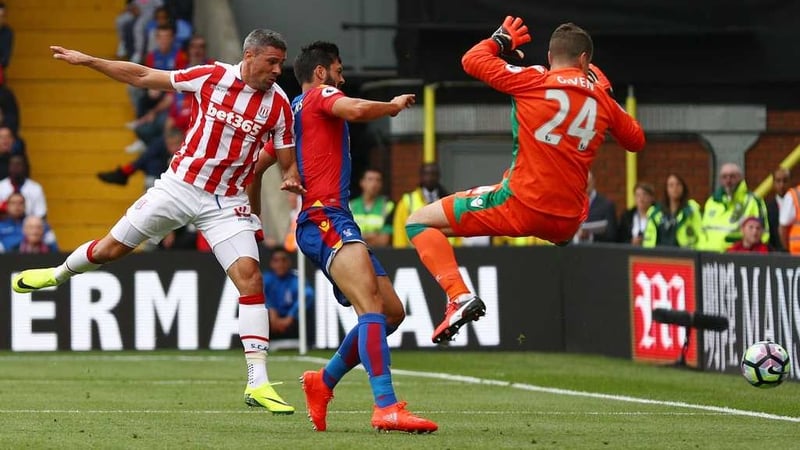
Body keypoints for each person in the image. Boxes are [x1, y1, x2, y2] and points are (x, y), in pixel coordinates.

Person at [11, 29, 304, 415]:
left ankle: (258, 382)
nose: (277, 70)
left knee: (250, 277)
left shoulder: (279, 105)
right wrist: (91, 61)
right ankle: (60, 273)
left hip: (226, 202)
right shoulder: (212, 76)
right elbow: (142, 76)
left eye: (281, 63)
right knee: (111, 250)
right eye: (272, 62)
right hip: (180, 187)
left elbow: (286, 158)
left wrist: (292, 177)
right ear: (249, 56)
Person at [405, 18, 645, 343]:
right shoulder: (602, 100)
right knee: (558, 221)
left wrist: (501, 41)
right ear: (585, 60)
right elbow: (636, 141)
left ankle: (459, 296)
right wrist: (605, 91)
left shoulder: (535, 80)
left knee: (418, 222)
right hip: (566, 223)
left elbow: (471, 60)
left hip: (521, 204)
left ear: (549, 56)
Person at [288, 41, 437, 433]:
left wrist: (263, 197)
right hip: (325, 216)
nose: (342, 75)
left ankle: (323, 381)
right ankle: (386, 406)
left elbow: (268, 157)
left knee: (391, 312)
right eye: (338, 68)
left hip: (330, 217)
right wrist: (389, 107)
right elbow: (353, 109)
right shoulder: (321, 95)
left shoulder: (292, 111)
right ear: (320, 73)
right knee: (371, 307)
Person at [700, 162, 769, 252]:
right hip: (708, 257)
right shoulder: (712, 201)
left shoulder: (752, 201)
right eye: (724, 177)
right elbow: (703, 230)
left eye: (732, 176)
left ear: (740, 178)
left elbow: (764, 233)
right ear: (720, 180)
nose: (728, 181)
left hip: (737, 257)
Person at [392, 162, 454, 248]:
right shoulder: (408, 201)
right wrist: (400, 252)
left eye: (433, 174)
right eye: (427, 174)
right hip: (415, 253)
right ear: (421, 176)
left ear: (439, 177)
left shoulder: (448, 200)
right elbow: (399, 231)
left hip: (444, 251)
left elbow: (456, 228)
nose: (430, 178)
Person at [262, 246, 314, 343]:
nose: (280, 264)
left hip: (292, 322)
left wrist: (290, 317)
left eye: (284, 260)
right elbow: (263, 295)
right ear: (271, 263)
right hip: (270, 322)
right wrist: (272, 313)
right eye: (276, 260)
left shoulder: (296, 279)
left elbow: (308, 294)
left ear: (289, 262)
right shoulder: (266, 279)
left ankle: (306, 342)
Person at [642, 173, 703, 249]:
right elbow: (648, 238)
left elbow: (700, 234)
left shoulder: (691, 210)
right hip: (658, 256)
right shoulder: (655, 212)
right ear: (666, 189)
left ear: (683, 187)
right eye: (671, 185)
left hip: (684, 256)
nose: (675, 188)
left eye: (678, 184)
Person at [349, 168, 394, 247]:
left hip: (381, 255)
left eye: (378, 180)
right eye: (370, 179)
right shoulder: (350, 206)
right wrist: (373, 235)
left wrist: (359, 237)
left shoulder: (388, 206)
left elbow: (384, 240)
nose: (374, 184)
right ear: (362, 182)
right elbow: (346, 238)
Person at [573, 171, 617, 243]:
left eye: (589, 183)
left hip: (597, 250)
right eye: (584, 183)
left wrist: (590, 236)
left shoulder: (606, 205)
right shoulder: (574, 203)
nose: (586, 185)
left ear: (593, 182)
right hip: (573, 250)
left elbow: (612, 234)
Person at [0, 154, 47, 218]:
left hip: (30, 225)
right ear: (9, 167)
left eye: (19, 164)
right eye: (13, 165)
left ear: (25, 167)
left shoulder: (36, 188)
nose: (15, 168)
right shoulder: (1, 186)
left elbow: (41, 214)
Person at [616, 182, 655, 246]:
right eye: (638, 195)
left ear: (651, 197)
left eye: (644, 194)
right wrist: (631, 242)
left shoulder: (658, 215)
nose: (641, 198)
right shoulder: (627, 216)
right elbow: (620, 239)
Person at [766, 167, 789, 251]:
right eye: (778, 181)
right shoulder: (768, 207)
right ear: (773, 183)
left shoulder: (796, 204)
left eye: (785, 181)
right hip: (776, 254)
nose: (781, 185)